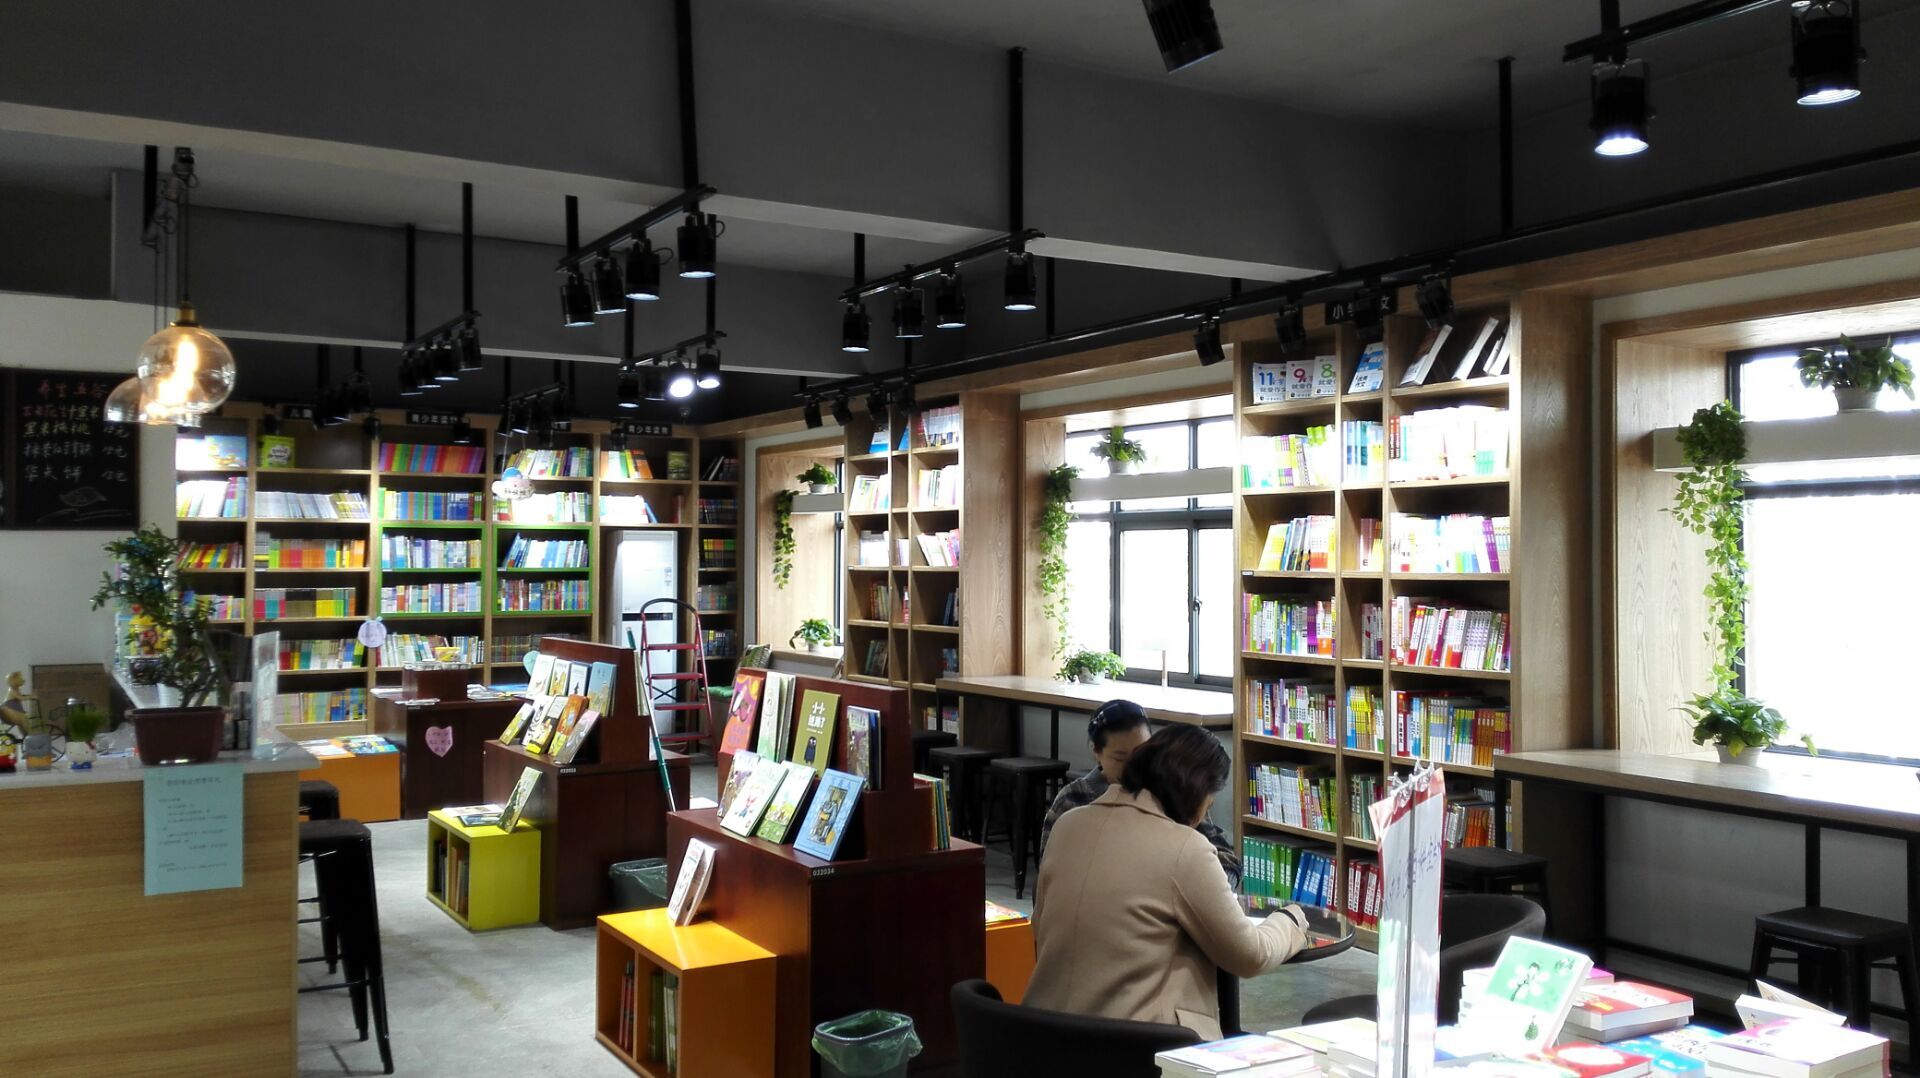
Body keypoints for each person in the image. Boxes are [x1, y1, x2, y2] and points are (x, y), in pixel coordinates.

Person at [1025, 725, 1309, 1040]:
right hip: (1136, 1046)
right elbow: (1250, 954)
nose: (1204, 815)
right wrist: (1290, 919)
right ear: (1197, 792)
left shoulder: (1067, 826)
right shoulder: (1185, 848)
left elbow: (1040, 928)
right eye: (1209, 803)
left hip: (1043, 1038)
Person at [1038, 699, 1241, 885]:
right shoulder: (1074, 800)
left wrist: (1219, 888)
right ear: (1096, 752)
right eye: (1120, 758)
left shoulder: (1168, 792)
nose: (1133, 765)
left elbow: (1225, 856)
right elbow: (1049, 873)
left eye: (1142, 754)